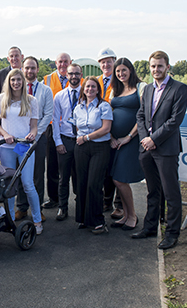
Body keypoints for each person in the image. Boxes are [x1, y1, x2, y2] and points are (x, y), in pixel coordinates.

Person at [133, 50, 187, 250]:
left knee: (171, 193)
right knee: (152, 191)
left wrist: (153, 139)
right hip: (147, 149)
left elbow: (175, 121)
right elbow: (140, 116)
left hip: (166, 149)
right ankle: (150, 227)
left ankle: (172, 234)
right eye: (153, 66)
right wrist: (144, 140)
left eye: (160, 66)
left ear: (167, 67)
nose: (156, 69)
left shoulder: (179, 89)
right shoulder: (147, 89)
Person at [0, 69, 43, 235]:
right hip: (7, 146)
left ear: (23, 82)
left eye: (18, 80)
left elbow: (34, 126)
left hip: (23, 146)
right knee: (10, 184)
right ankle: (10, 217)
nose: (16, 83)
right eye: (13, 80)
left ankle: (37, 219)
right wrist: (5, 134)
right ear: (9, 81)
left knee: (28, 184)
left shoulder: (31, 101)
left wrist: (33, 134)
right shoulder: (2, 98)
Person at [108, 57, 146, 230]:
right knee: (116, 180)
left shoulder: (141, 88)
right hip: (115, 142)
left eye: (124, 70)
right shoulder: (114, 90)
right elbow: (108, 114)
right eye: (118, 71)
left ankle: (133, 216)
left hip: (130, 140)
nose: (121, 74)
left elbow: (144, 115)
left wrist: (128, 137)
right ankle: (125, 214)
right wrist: (111, 137)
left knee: (120, 179)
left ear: (130, 70)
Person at [73, 76, 113, 235]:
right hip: (82, 148)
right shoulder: (78, 107)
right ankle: (83, 218)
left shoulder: (104, 106)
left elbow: (106, 129)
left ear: (98, 90)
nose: (90, 89)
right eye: (87, 87)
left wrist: (86, 137)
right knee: (81, 183)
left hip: (99, 147)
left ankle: (97, 221)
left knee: (94, 184)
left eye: (93, 87)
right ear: (83, 89)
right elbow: (77, 128)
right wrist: (83, 139)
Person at [15, 57, 53, 221]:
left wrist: (35, 134)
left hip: (38, 139)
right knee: (21, 172)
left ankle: (37, 209)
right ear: (23, 69)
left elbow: (48, 115)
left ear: (38, 70)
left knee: (37, 174)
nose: (30, 71)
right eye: (27, 68)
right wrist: (23, 136)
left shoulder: (46, 91)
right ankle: (22, 208)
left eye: (33, 68)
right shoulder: (16, 90)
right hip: (21, 140)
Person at [51, 63, 83, 221]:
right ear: (67, 76)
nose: (74, 76)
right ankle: (62, 208)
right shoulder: (60, 96)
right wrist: (58, 142)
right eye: (71, 74)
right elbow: (55, 120)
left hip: (82, 141)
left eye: (77, 73)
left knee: (79, 175)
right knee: (63, 177)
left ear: (81, 75)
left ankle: (80, 206)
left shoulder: (87, 93)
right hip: (65, 139)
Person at [42, 52, 72, 210]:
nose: (63, 64)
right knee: (52, 164)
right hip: (51, 126)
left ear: (70, 62)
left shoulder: (77, 78)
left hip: (71, 129)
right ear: (56, 63)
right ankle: (54, 198)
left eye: (66, 61)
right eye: (60, 62)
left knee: (70, 165)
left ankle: (71, 199)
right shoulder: (46, 79)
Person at [97, 47, 123, 219]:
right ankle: (106, 200)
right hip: (100, 132)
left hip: (118, 131)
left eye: (109, 61)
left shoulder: (121, 80)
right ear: (99, 65)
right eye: (103, 62)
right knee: (105, 170)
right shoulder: (95, 81)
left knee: (119, 171)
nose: (106, 64)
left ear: (114, 62)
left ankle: (119, 205)